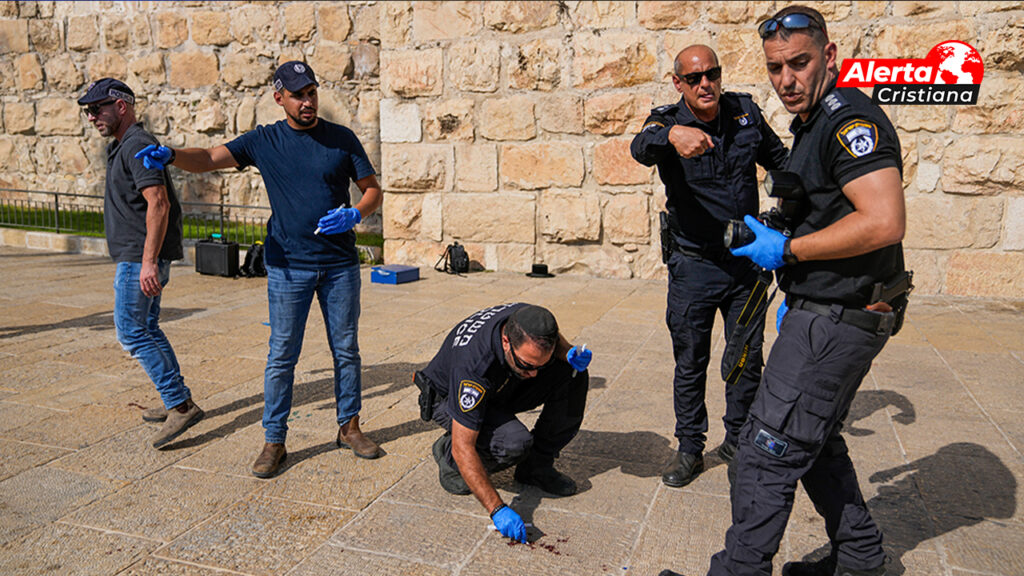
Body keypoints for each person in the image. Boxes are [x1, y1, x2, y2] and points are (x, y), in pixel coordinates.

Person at [659, 6, 909, 576]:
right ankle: (863, 561)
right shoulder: (813, 122)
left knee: (761, 454)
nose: (787, 79)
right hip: (826, 307)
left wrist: (789, 252)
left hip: (836, 316)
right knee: (816, 442)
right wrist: (786, 235)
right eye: (776, 67)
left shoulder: (848, 122)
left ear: (831, 57)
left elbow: (883, 220)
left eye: (800, 63)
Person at [135, 61, 383, 478]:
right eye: (298, 95)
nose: (307, 102)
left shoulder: (341, 139)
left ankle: (350, 427)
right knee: (282, 356)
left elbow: (372, 189)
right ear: (279, 97)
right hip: (289, 267)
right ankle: (274, 440)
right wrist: (172, 156)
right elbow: (211, 158)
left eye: (312, 93)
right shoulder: (264, 141)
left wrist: (355, 214)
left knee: (346, 351)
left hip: (340, 265)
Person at [630, 45, 788, 488]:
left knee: (744, 360)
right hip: (694, 266)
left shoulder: (744, 113)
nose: (705, 84)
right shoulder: (665, 120)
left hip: (746, 266)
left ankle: (738, 441)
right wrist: (672, 137)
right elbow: (640, 147)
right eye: (694, 77)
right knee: (691, 362)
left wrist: (790, 223)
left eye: (712, 74)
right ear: (678, 83)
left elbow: (782, 164)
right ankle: (690, 448)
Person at [79, 78, 204, 449]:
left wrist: (148, 262)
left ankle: (179, 406)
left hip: (139, 258)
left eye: (97, 108)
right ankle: (178, 399)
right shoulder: (124, 146)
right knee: (147, 327)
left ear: (121, 106)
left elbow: (159, 203)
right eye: (88, 111)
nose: (91, 117)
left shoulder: (136, 144)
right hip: (140, 256)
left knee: (131, 332)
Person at [413, 303, 592, 543]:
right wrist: (497, 509)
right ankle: (448, 458)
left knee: (572, 373)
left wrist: (568, 352)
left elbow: (550, 342)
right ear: (506, 341)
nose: (535, 375)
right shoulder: (474, 367)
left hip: (500, 382)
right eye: (528, 365)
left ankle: (536, 468)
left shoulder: (528, 320)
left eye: (541, 365)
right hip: (447, 399)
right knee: (513, 443)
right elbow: (463, 446)